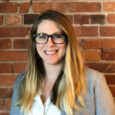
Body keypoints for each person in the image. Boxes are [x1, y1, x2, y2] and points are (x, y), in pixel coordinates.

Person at [10, 10, 115, 115]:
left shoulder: (94, 81)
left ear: (68, 40)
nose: (50, 44)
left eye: (57, 36)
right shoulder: (21, 82)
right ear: (34, 42)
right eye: (42, 36)